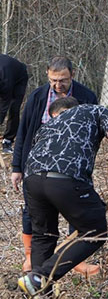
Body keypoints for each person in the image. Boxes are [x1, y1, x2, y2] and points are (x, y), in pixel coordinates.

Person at [18, 97, 108, 299]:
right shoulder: (99, 111)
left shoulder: (50, 124)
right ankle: (41, 276)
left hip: (32, 179)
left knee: (43, 236)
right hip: (65, 178)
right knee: (97, 231)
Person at [10, 56, 100, 275]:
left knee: (64, 221)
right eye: (53, 80)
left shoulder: (86, 98)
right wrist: (16, 167)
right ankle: (34, 265)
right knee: (38, 218)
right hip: (45, 168)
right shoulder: (38, 97)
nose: (58, 85)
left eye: (63, 80)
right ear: (47, 76)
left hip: (57, 171)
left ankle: (64, 268)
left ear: (72, 76)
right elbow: (24, 132)